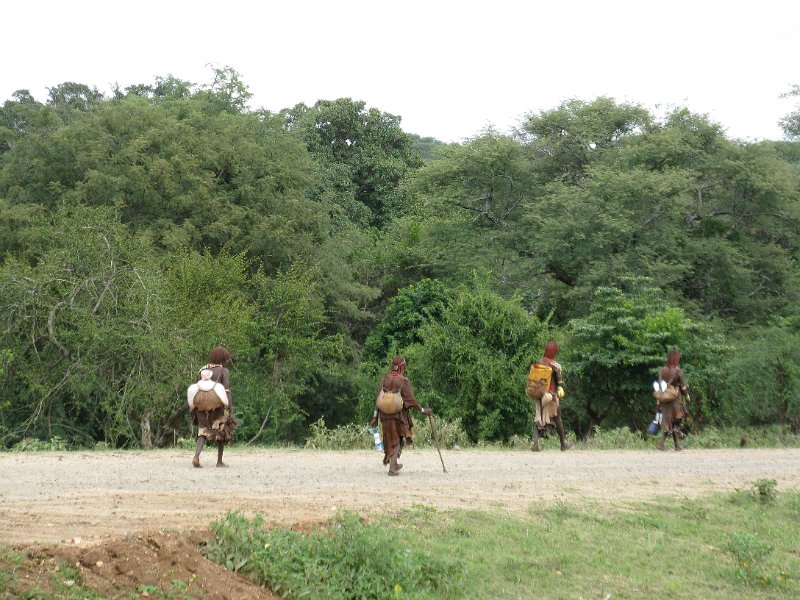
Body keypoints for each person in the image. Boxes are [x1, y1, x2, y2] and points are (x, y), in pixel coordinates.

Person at [369, 357, 432, 476]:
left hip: (384, 415)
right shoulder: (403, 380)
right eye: (405, 365)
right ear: (402, 366)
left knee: (390, 438)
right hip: (398, 416)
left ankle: (394, 462)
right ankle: (392, 467)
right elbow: (411, 400)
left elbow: (378, 399)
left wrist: (375, 417)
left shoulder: (385, 379)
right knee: (399, 439)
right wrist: (423, 410)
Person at [190, 346, 236, 467]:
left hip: (201, 407)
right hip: (217, 408)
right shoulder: (223, 371)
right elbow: (226, 390)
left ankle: (196, 456)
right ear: (223, 359)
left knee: (202, 431)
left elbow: (196, 388)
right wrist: (230, 407)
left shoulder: (202, 370)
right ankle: (219, 461)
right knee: (222, 430)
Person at [531, 340, 573, 452]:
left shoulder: (539, 361)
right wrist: (560, 386)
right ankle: (563, 444)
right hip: (551, 396)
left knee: (538, 417)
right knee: (557, 418)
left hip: (539, 395)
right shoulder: (555, 365)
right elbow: (559, 382)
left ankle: (535, 444)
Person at [655, 348, 690, 451]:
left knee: (669, 422)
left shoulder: (662, 370)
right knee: (675, 423)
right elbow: (683, 386)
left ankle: (675, 446)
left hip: (665, 400)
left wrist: (659, 399)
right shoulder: (678, 371)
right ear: (676, 358)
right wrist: (687, 395)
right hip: (675, 400)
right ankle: (666, 444)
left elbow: (660, 384)